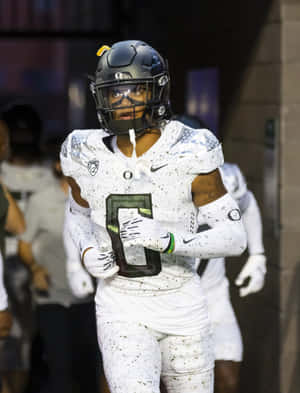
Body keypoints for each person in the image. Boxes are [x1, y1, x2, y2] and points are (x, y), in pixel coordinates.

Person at [61, 40, 247, 393]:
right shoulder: (81, 151)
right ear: (101, 97)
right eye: (114, 92)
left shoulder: (191, 148)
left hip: (183, 301)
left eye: (135, 89)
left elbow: (235, 237)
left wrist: (169, 239)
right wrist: (86, 251)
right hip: (121, 302)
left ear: (157, 90)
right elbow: (77, 213)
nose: (125, 100)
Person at [173, 114, 266, 393]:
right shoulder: (151, 182)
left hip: (213, 294)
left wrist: (257, 255)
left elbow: (247, 203)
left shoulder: (226, 176)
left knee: (227, 377)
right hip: (170, 297)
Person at [18, 143, 101, 393]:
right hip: (52, 297)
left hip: (91, 299)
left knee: (90, 369)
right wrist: (35, 269)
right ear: (59, 165)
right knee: (59, 370)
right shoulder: (40, 199)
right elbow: (24, 244)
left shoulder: (97, 197)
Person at [0, 104, 55, 393]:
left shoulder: (48, 172)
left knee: (23, 340)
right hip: (5, 260)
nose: (19, 139)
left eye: (24, 133)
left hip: (36, 260)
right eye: (13, 134)